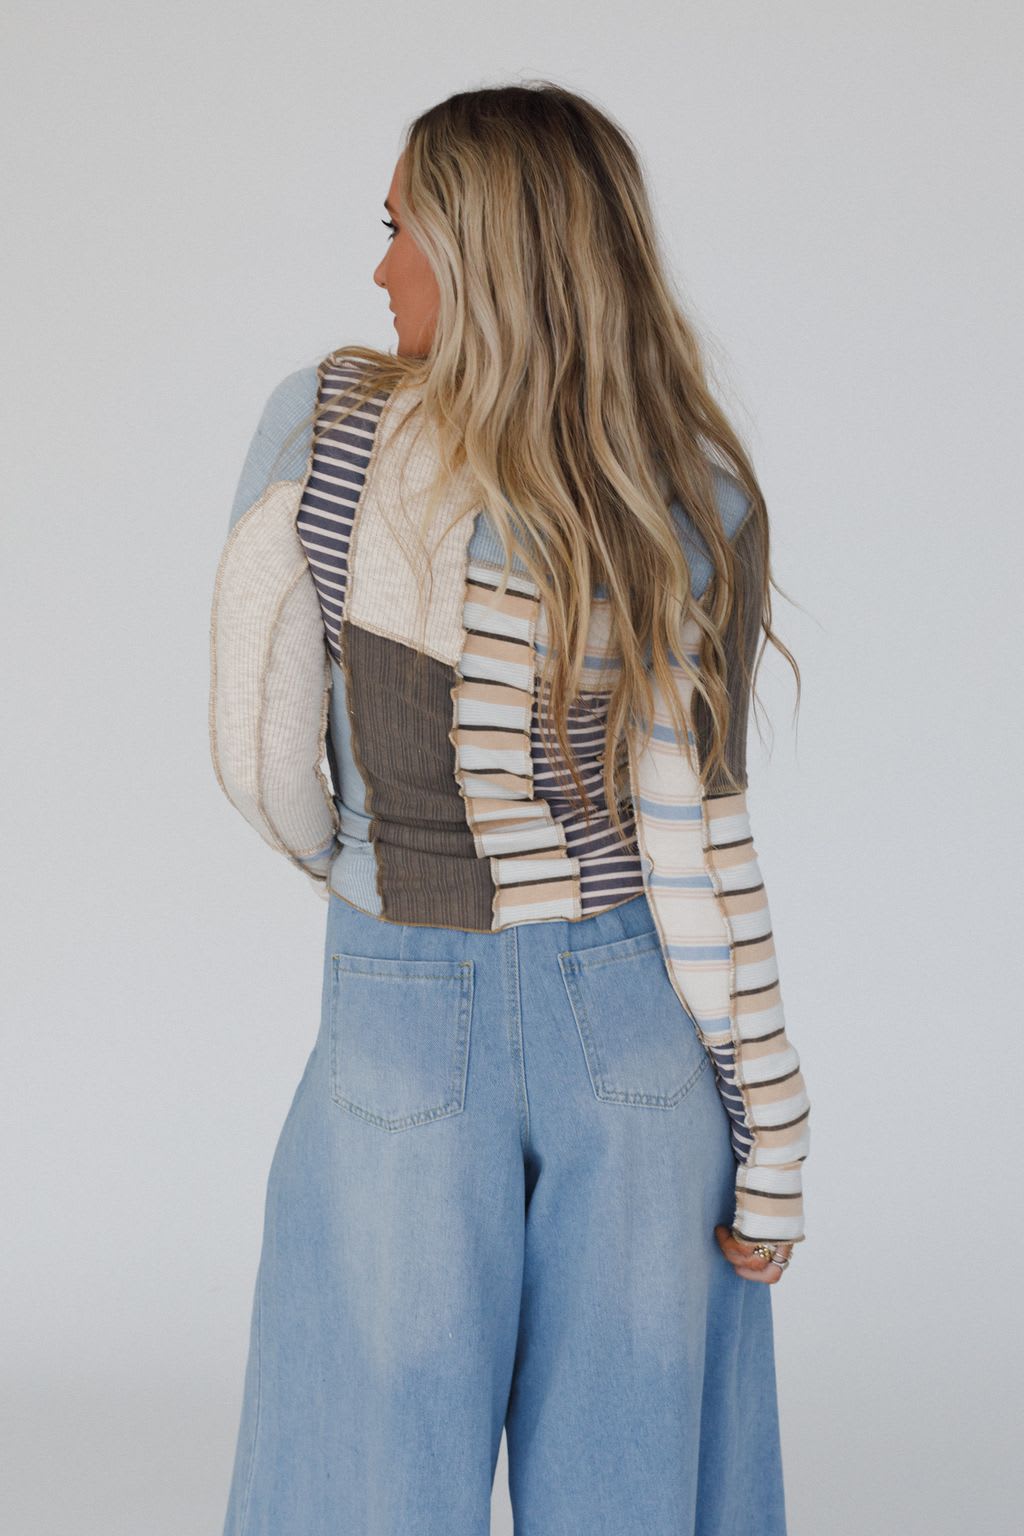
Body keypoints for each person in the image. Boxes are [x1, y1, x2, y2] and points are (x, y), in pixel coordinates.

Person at [209, 80, 810, 1536]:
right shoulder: (691, 488)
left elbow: (256, 754)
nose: (379, 270)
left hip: (400, 1014)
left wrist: (366, 864)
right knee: (635, 1483)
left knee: (360, 1483)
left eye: (398, 226)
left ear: (478, 251)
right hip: (639, 1027)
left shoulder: (326, 433)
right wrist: (773, 1140)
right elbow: (696, 841)